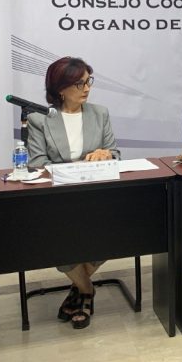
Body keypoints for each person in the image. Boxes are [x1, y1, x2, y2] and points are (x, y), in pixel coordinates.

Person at [26, 56, 119, 330]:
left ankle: (79, 288)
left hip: (96, 196)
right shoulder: (39, 119)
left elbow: (115, 152)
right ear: (60, 88)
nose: (86, 88)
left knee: (114, 226)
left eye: (89, 81)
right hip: (59, 200)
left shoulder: (99, 113)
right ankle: (86, 289)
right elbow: (37, 164)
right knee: (55, 235)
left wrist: (105, 153)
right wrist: (76, 167)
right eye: (79, 84)